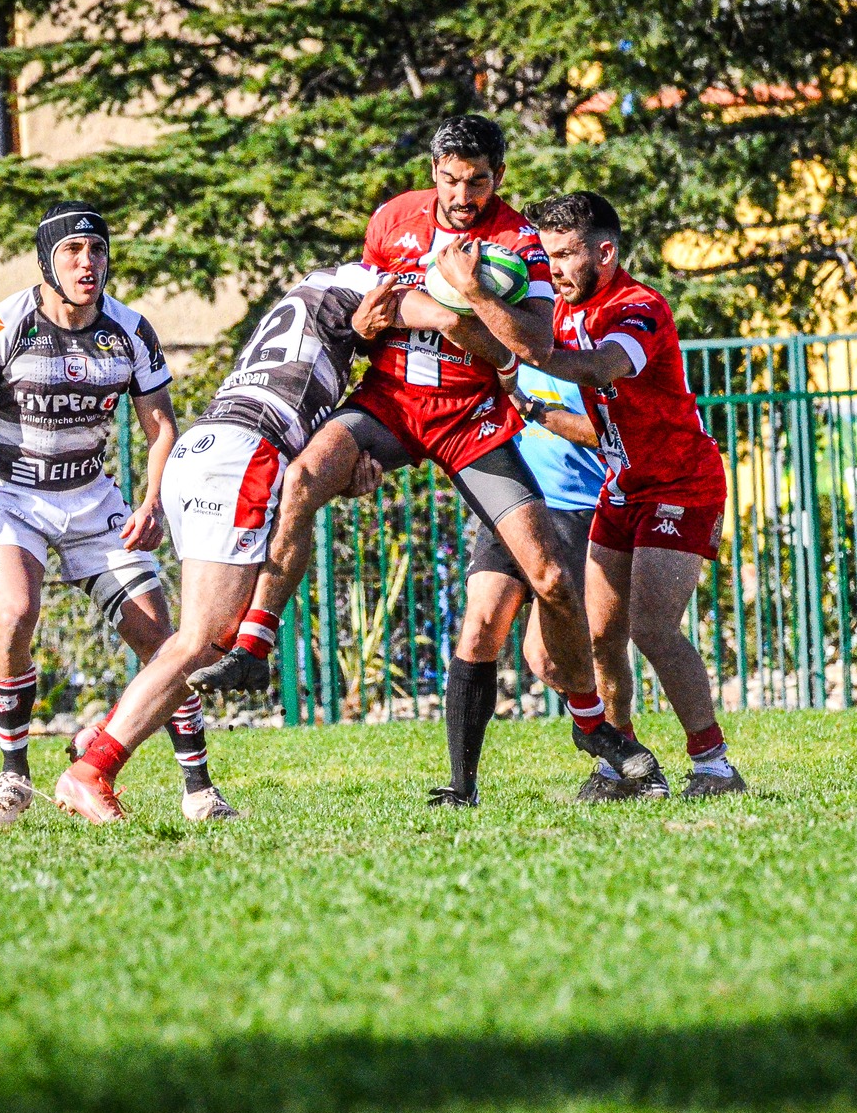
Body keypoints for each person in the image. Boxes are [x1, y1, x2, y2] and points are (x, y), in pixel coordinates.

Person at [187, 116, 664, 792]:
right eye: (449, 180)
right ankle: (254, 648)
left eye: (476, 181)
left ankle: (590, 722)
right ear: (432, 174)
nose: (461, 195)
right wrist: (365, 324)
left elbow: (523, 348)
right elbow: (369, 312)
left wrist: (467, 296)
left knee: (553, 578)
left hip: (470, 420)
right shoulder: (393, 220)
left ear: (498, 177)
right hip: (389, 403)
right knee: (302, 478)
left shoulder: (518, 242)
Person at [0, 202, 214, 826]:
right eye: (71, 251)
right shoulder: (1, 325)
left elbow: (161, 428)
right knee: (14, 614)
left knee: (167, 644)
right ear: (47, 260)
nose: (87, 262)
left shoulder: (129, 329)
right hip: (12, 497)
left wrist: (153, 502)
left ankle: (199, 789)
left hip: (95, 501)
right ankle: (14, 778)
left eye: (96, 250)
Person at [53, 264, 396, 816]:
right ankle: (93, 769)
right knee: (203, 642)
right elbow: (395, 309)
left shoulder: (313, 293)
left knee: (204, 636)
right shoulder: (360, 291)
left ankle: (109, 733)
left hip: (214, 450)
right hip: (241, 456)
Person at [492, 192, 745, 800]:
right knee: (598, 638)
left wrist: (526, 348)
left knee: (653, 628)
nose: (550, 269)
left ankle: (714, 767)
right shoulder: (560, 310)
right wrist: (539, 411)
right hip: (625, 485)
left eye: (564, 255)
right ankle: (626, 765)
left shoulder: (639, 307)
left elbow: (605, 367)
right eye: (545, 255)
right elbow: (605, 428)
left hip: (683, 483)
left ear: (604, 252)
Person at [426, 339, 608, 808]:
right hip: (511, 503)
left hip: (577, 511)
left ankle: (611, 746)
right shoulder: (500, 345)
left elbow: (609, 432)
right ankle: (461, 787)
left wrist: (532, 409)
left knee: (544, 660)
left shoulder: (589, 351)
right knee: (480, 624)